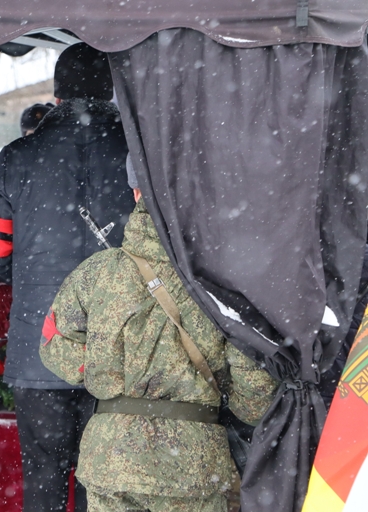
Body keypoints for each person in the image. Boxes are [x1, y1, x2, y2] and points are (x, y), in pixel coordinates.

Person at [39, 170, 278, 512]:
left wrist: (105, 370)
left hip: (110, 459)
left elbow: (53, 344)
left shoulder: (97, 271)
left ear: (136, 194)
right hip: (192, 466)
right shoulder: (222, 280)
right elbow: (253, 398)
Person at [0, 42, 135, 512]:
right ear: (112, 90)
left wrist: (31, 273)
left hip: (39, 347)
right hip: (119, 351)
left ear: (58, 95)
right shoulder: (139, 155)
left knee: (43, 482)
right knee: (103, 487)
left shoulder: (17, 157)